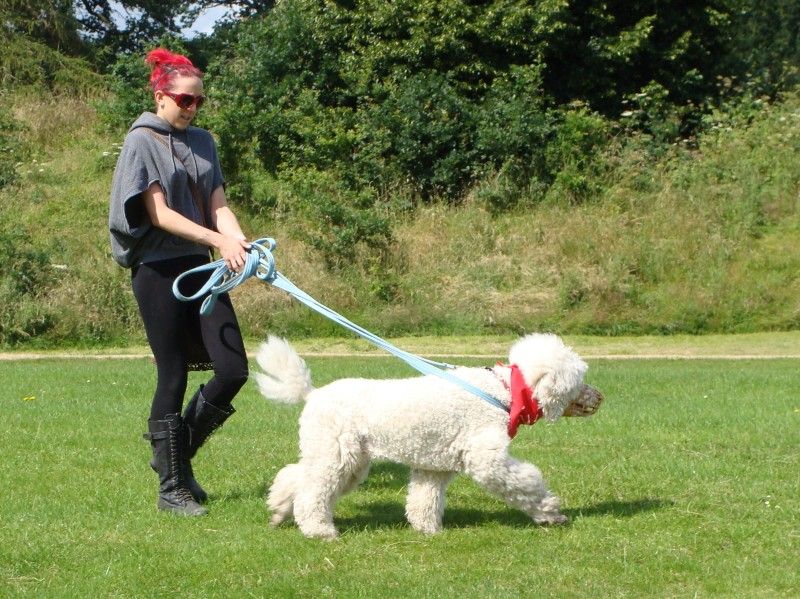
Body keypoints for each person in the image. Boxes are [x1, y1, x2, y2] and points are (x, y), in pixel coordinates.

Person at [109, 48, 250, 516]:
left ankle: (174, 457)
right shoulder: (141, 141)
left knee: (232, 371)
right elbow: (159, 213)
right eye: (183, 101)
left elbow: (218, 202)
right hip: (158, 270)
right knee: (171, 373)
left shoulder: (205, 142)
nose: (191, 109)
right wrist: (217, 239)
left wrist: (238, 242)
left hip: (203, 267)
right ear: (160, 96)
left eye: (198, 102)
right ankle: (172, 488)